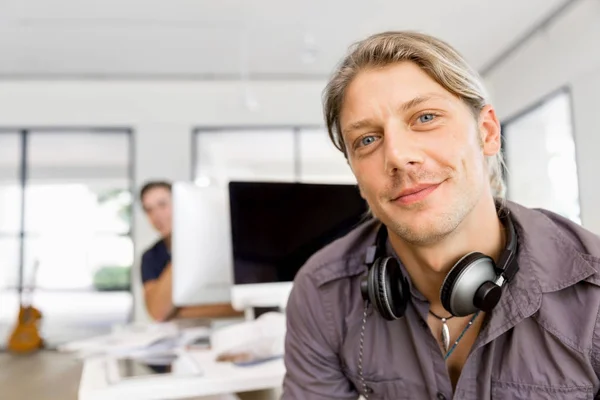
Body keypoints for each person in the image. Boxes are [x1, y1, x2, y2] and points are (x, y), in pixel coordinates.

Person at [281, 31, 600, 399]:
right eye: (367, 139)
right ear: (356, 174)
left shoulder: (591, 293)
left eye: (425, 117)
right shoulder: (323, 294)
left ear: (487, 132)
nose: (398, 156)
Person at [139, 180, 242, 322]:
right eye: (149, 210)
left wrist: (177, 311)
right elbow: (158, 313)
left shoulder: (214, 243)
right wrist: (184, 249)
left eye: (162, 205)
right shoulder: (151, 256)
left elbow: (238, 306)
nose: (156, 215)